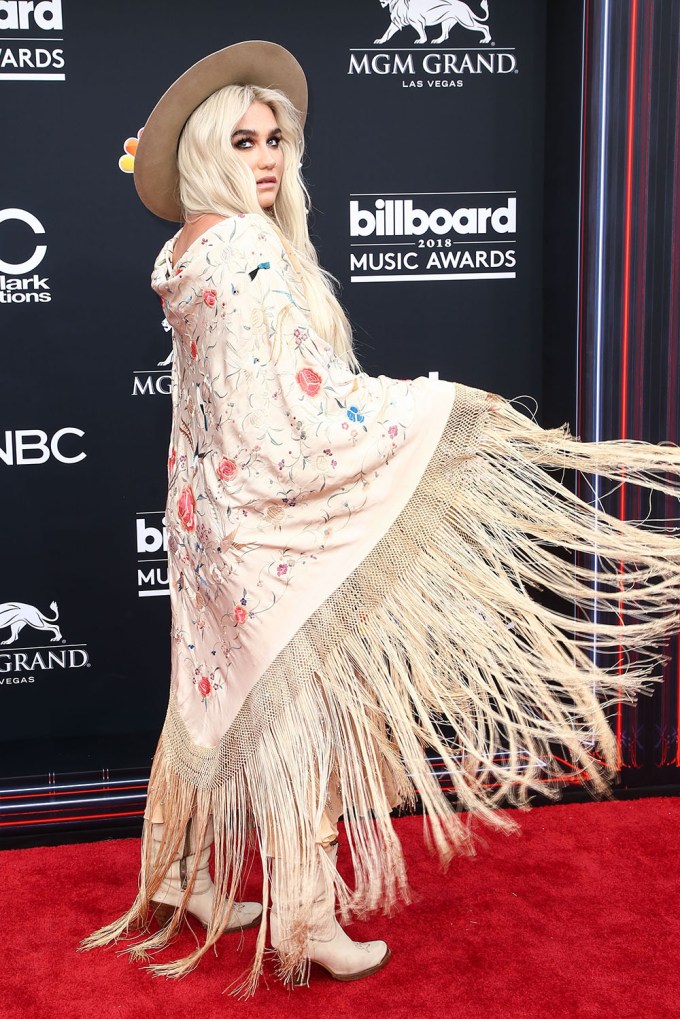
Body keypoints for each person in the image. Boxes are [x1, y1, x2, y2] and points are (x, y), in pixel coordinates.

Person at [81, 40, 680, 997]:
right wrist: (436, 409)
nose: (270, 157)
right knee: (304, 716)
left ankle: (182, 872)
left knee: (209, 698)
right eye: (245, 140)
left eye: (278, 138)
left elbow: (224, 401)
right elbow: (295, 406)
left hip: (207, 522)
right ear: (205, 150)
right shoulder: (243, 245)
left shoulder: (182, 247)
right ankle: (304, 916)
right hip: (268, 522)